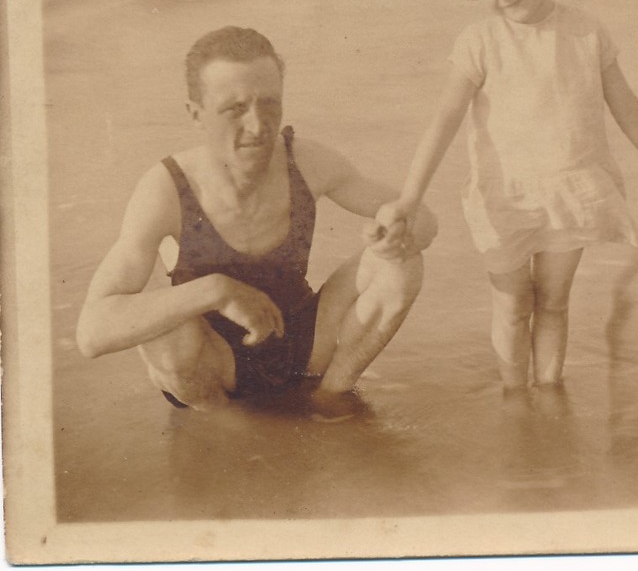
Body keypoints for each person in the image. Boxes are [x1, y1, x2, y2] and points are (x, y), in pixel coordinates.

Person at [376, 0, 638, 390]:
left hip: (570, 191)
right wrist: (409, 196)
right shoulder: (479, 42)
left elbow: (629, 110)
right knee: (513, 306)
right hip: (504, 197)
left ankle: (549, 392)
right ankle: (515, 393)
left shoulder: (586, 31)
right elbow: (443, 121)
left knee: (553, 302)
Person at [75, 27, 436, 418]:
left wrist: (394, 232)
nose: (258, 125)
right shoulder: (168, 188)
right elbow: (92, 333)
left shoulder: (307, 162)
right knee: (164, 327)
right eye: (235, 109)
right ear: (196, 114)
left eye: (269, 104)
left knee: (402, 262)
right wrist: (217, 290)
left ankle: (331, 395)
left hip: (302, 346)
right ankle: (223, 422)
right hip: (215, 365)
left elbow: (423, 221)